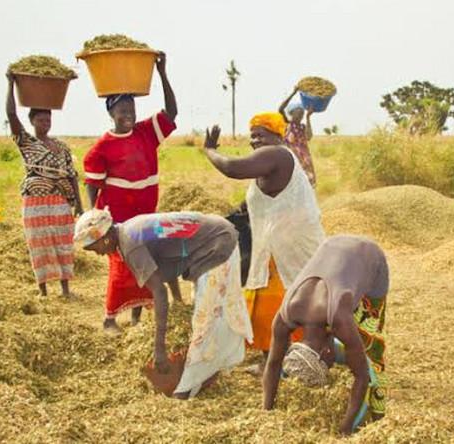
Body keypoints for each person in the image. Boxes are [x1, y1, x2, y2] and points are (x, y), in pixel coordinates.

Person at [73, 208, 253, 398]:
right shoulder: (128, 231)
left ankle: (188, 386)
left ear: (105, 238)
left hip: (217, 244)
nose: (98, 254)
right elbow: (164, 261)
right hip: (215, 237)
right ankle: (206, 372)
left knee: (206, 318)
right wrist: (178, 301)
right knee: (207, 312)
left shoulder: (130, 244)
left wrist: (160, 348)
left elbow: (159, 291)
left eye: (94, 248)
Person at [201, 115, 325, 373]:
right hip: (275, 246)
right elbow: (257, 204)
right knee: (267, 307)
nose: (255, 140)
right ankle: (274, 361)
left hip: (290, 247)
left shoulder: (278, 154)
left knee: (288, 303)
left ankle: (297, 361)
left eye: (262, 134)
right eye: (253, 135)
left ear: (279, 136)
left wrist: (209, 150)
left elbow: (232, 168)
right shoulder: (269, 163)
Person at [83, 51, 179, 334]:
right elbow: (93, 183)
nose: (128, 115)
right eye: (122, 111)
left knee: (145, 265)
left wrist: (162, 73)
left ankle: (137, 318)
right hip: (120, 219)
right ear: (111, 113)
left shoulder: (146, 132)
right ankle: (110, 319)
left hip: (146, 213)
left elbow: (171, 113)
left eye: (131, 110)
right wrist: (94, 214)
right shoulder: (103, 146)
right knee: (121, 267)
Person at [262, 235, 388, 435]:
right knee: (353, 337)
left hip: (369, 255)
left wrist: (345, 428)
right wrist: (267, 413)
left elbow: (362, 376)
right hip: (333, 245)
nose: (332, 369)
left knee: (370, 347)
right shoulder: (285, 316)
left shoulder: (339, 319)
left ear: (326, 350)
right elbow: (273, 363)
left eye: (328, 366)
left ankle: (380, 416)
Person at [6, 72, 82, 297]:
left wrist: (79, 204)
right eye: (40, 120)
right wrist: (11, 85)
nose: (45, 123)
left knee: (63, 242)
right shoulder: (27, 142)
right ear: (31, 122)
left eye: (48, 120)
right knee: (39, 244)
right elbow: (11, 114)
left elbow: (71, 176)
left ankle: (66, 289)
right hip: (35, 201)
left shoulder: (61, 146)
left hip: (60, 202)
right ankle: (43, 291)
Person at [278, 87, 316, 187]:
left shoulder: (303, 127)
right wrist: (293, 93)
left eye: (302, 114)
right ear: (291, 113)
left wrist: (308, 117)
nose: (300, 115)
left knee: (306, 185)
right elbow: (281, 109)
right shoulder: (287, 124)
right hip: (291, 159)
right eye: (298, 113)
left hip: (304, 160)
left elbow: (309, 137)